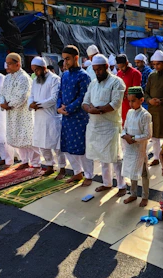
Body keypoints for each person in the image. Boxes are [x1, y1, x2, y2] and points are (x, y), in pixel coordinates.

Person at [82, 54, 127, 196]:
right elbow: (85, 101)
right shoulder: (93, 83)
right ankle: (106, 183)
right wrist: (89, 109)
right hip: (95, 125)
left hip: (110, 125)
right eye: (95, 70)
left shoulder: (117, 82)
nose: (97, 72)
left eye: (99, 69)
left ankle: (122, 185)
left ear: (106, 67)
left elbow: (115, 103)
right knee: (102, 157)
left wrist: (99, 110)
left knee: (115, 157)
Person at [57, 45, 93, 186]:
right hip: (66, 117)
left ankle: (88, 175)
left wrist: (69, 108)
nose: (65, 62)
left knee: (82, 148)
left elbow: (83, 97)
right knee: (67, 147)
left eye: (67, 59)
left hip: (79, 117)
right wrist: (59, 108)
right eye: (64, 59)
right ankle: (77, 173)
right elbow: (60, 93)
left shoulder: (84, 76)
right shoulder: (64, 75)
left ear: (76, 58)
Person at [0, 52, 39, 170]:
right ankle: (24, 161)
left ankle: (36, 163)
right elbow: (2, 93)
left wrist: (8, 105)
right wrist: (3, 103)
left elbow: (22, 96)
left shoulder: (24, 78)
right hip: (11, 113)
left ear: (17, 64)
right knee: (17, 138)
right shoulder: (7, 78)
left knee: (28, 138)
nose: (7, 67)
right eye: (6, 64)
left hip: (22, 112)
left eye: (9, 64)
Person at [29, 56, 64, 178]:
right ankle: (50, 166)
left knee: (57, 146)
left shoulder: (55, 79)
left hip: (52, 118)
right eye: (33, 70)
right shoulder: (35, 80)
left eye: (37, 70)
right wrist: (31, 104)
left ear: (44, 68)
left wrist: (39, 105)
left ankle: (62, 168)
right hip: (39, 118)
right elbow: (31, 95)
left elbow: (54, 99)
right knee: (42, 145)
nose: (35, 73)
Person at [121, 87, 152, 207]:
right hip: (129, 148)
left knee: (143, 173)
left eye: (133, 101)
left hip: (140, 149)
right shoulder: (129, 112)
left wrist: (133, 138)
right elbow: (124, 129)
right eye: (129, 101)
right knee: (132, 171)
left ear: (141, 100)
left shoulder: (146, 115)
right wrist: (125, 136)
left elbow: (148, 134)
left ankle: (145, 196)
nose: (131, 104)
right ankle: (133, 194)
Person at [116, 54, 142, 124]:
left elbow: (135, 90)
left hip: (131, 104)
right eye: (119, 68)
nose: (121, 69)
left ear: (127, 63)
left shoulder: (135, 73)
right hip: (121, 104)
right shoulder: (119, 73)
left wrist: (125, 95)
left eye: (123, 67)